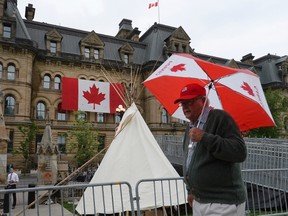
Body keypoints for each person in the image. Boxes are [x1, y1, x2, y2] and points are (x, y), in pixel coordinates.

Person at [174, 83, 247, 216]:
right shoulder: (190, 127)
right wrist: (190, 190)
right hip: (199, 200)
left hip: (223, 202)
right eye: (182, 103)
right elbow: (190, 160)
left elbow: (239, 152)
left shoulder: (221, 118)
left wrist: (205, 137)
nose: (185, 106)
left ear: (203, 101)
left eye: (189, 101)